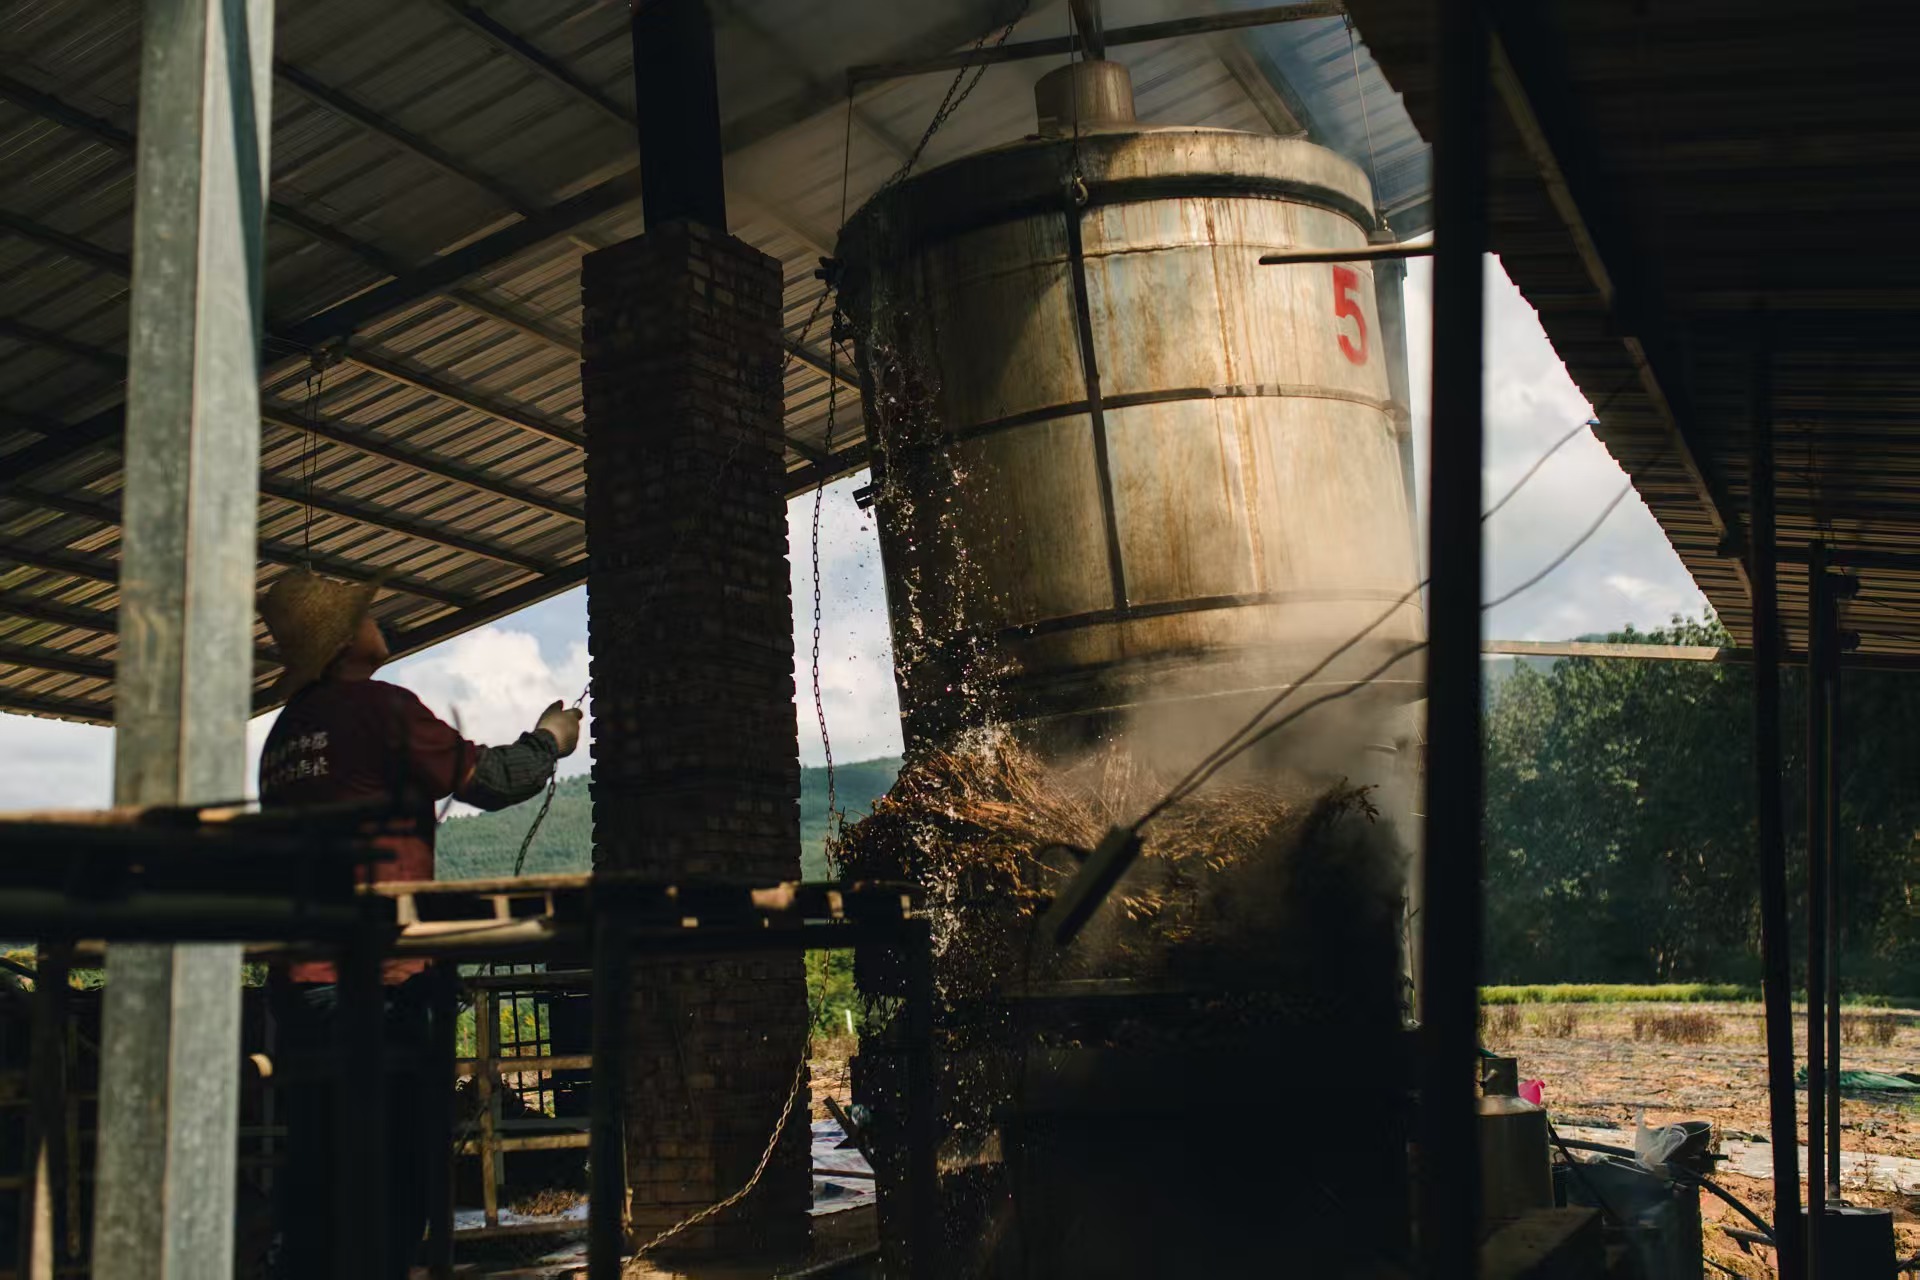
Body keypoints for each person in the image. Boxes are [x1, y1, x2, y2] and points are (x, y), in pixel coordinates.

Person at [256, 569, 582, 1279]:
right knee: (398, 1173)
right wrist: (550, 740)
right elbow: (491, 782)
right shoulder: (380, 709)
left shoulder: (283, 737)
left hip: (300, 986)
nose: (382, 622)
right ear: (347, 644)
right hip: (379, 987)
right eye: (367, 617)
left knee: (319, 1168)